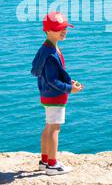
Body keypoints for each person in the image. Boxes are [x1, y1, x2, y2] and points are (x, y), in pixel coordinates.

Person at [31, 11, 83, 175]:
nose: (63, 31)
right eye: (58, 28)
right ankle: (52, 165)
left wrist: (68, 81)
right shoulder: (51, 53)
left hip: (48, 95)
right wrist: (70, 89)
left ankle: (44, 161)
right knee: (55, 129)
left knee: (48, 126)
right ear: (47, 30)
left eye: (64, 28)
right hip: (55, 97)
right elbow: (53, 80)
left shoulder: (47, 48)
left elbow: (50, 76)